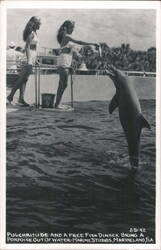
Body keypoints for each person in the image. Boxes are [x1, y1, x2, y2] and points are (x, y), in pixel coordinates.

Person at [55, 20, 99, 110]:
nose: (73, 30)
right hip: (64, 61)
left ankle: (57, 103)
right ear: (67, 27)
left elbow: (72, 50)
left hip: (66, 60)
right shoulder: (66, 36)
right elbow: (79, 42)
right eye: (72, 28)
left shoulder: (65, 37)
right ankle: (57, 104)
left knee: (62, 84)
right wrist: (92, 43)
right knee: (64, 84)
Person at [7, 16, 41, 106]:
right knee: (21, 79)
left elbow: (34, 48)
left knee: (24, 79)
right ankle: (10, 96)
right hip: (28, 58)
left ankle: (21, 98)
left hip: (31, 58)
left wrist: (35, 59)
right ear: (35, 24)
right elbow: (27, 47)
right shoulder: (32, 33)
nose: (40, 25)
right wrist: (29, 59)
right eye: (39, 23)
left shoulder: (35, 33)